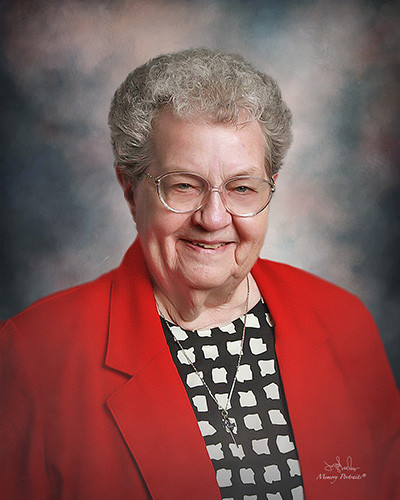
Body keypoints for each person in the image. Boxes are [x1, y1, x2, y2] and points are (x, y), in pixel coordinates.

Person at [0, 48, 399, 500]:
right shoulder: (34, 355)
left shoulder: (343, 320)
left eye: (242, 188)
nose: (213, 218)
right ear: (130, 189)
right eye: (184, 186)